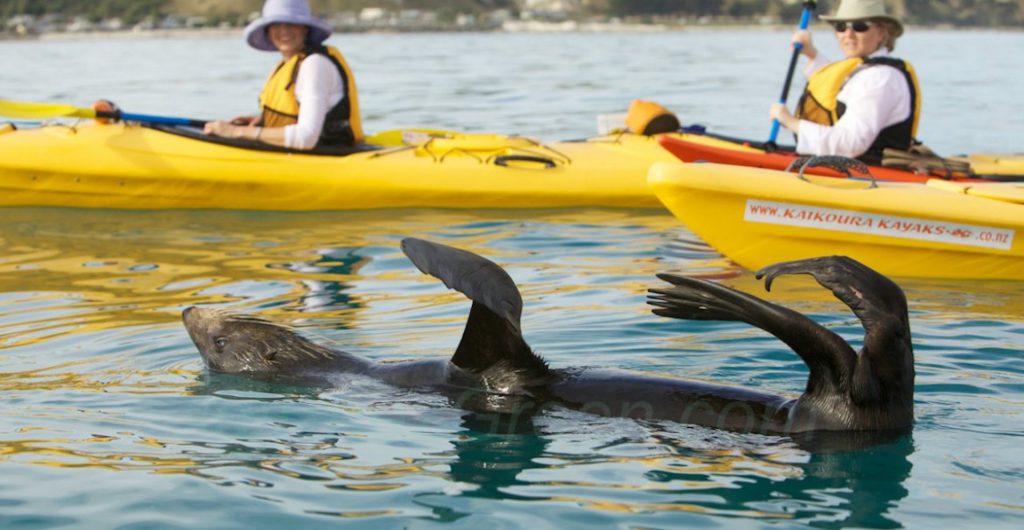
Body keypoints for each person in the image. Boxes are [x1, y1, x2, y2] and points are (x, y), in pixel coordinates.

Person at [769, 0, 921, 164]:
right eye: (841, 27)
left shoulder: (881, 78)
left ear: (881, 33)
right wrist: (811, 54)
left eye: (860, 26)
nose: (848, 34)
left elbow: (851, 144)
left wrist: (792, 123)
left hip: (870, 178)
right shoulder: (865, 70)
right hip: (849, 170)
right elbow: (838, 90)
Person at [204, 0, 363, 150]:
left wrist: (236, 132)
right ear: (268, 30)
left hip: (330, 156)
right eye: (276, 24)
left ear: (305, 28)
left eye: (291, 23)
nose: (284, 30)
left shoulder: (314, 65)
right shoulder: (289, 64)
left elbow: (307, 137)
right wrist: (264, 122)